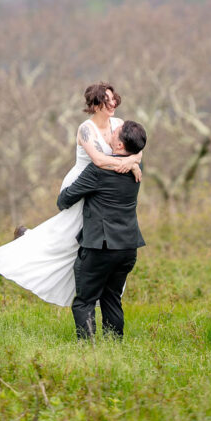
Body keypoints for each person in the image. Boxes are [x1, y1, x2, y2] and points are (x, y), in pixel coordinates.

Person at [0, 82, 142, 306]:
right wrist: (128, 163)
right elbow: (99, 161)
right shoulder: (85, 129)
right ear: (96, 104)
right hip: (84, 183)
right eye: (107, 100)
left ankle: (96, 289)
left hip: (105, 186)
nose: (113, 104)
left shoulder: (119, 124)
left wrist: (132, 161)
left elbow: (137, 148)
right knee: (70, 237)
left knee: (97, 239)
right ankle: (28, 240)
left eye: (114, 98)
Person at [57, 119, 147, 340]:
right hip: (127, 247)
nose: (110, 132)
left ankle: (89, 351)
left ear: (119, 146)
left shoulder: (97, 171)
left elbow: (65, 200)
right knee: (112, 298)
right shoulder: (137, 168)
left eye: (115, 132)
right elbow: (137, 156)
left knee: (85, 301)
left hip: (100, 246)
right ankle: (114, 346)